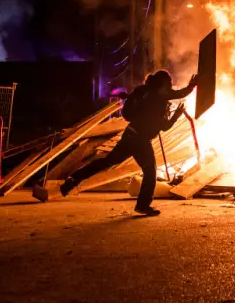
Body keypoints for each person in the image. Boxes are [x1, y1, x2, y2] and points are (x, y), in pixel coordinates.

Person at [42, 71, 198, 216]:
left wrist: (190, 87)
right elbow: (165, 126)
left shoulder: (145, 91)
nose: (170, 88)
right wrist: (177, 114)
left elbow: (176, 94)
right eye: (169, 84)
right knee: (150, 172)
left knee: (107, 161)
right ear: (162, 84)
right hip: (140, 140)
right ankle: (143, 205)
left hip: (130, 135)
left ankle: (73, 180)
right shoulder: (157, 100)